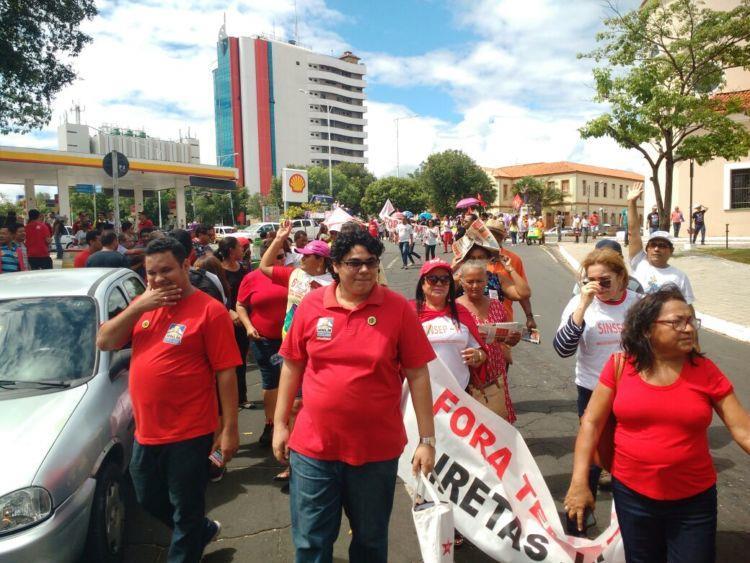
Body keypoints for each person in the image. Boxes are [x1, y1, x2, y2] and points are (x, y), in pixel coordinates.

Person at [273, 230, 436, 562]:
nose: (364, 270)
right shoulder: (311, 305)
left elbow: (418, 374)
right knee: (311, 542)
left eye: (371, 263)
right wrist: (279, 424)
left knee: (370, 543)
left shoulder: (397, 309)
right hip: (314, 450)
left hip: (375, 453)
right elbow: (292, 366)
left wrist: (427, 439)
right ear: (335, 266)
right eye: (354, 263)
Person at [564, 286, 750, 561]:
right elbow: (590, 423)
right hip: (632, 496)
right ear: (647, 329)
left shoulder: (706, 371)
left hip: (694, 501)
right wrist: (579, 482)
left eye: (691, 321)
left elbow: (743, 430)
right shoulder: (619, 366)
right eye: (677, 322)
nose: (688, 329)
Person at [96, 237, 242, 562]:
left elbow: (226, 373)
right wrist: (138, 306)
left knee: (186, 507)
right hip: (147, 431)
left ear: (186, 266)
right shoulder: (145, 307)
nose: (158, 279)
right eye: (151, 273)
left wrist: (230, 429)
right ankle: (198, 530)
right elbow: (105, 341)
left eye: (167, 270)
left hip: (190, 432)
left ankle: (190, 536)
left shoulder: (210, 311)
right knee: (147, 498)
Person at [554, 247, 640, 535]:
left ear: (621, 278)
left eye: (605, 281)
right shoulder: (580, 304)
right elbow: (563, 349)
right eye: (591, 281)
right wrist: (583, 305)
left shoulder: (639, 305)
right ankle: (579, 526)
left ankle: (630, 527)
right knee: (590, 460)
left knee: (630, 459)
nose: (598, 287)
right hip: (592, 391)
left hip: (634, 393)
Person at [236, 239, 288, 442]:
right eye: (276, 256)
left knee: (294, 382)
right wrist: (249, 326)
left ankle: (289, 422)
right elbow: (240, 305)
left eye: (283, 256)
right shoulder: (251, 278)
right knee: (270, 381)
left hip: (290, 341)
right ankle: (271, 422)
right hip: (264, 340)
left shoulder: (292, 277)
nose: (280, 260)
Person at [456, 260, 520, 423]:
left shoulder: (496, 305)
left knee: (499, 426)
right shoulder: (455, 309)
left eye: (479, 281)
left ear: (486, 281)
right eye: (470, 281)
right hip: (469, 379)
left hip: (496, 374)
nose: (475, 286)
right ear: (461, 281)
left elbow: (506, 340)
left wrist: (513, 339)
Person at [627, 185, 695, 303]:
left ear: (671, 251)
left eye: (662, 246)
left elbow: (687, 307)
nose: (656, 249)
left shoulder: (679, 277)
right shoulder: (639, 262)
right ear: (647, 249)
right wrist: (631, 203)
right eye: (653, 245)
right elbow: (633, 232)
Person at [217, 237, 251, 408]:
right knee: (228, 361)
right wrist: (228, 311)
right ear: (231, 251)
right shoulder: (218, 271)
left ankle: (242, 397)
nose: (242, 250)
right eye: (239, 247)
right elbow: (215, 298)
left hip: (242, 322)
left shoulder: (244, 269)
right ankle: (228, 400)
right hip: (225, 322)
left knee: (241, 359)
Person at [571, 239, 644, 295]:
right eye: (593, 280)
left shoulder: (634, 285)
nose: (599, 287)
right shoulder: (583, 284)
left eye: (605, 280)